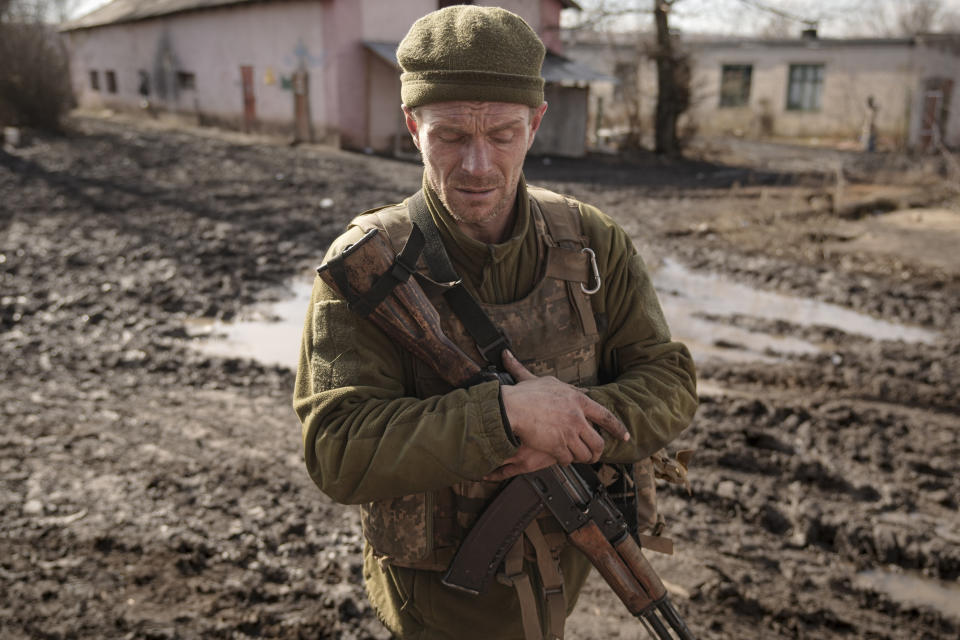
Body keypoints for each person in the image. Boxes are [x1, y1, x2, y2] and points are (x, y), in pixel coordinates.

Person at [293, 6, 698, 639]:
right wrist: (506, 419)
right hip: (437, 610)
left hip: (565, 575)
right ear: (412, 126)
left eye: (502, 134)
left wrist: (564, 428)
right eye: (451, 135)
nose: (478, 165)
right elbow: (338, 449)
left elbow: (668, 381)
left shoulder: (591, 242)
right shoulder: (370, 265)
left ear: (535, 124)